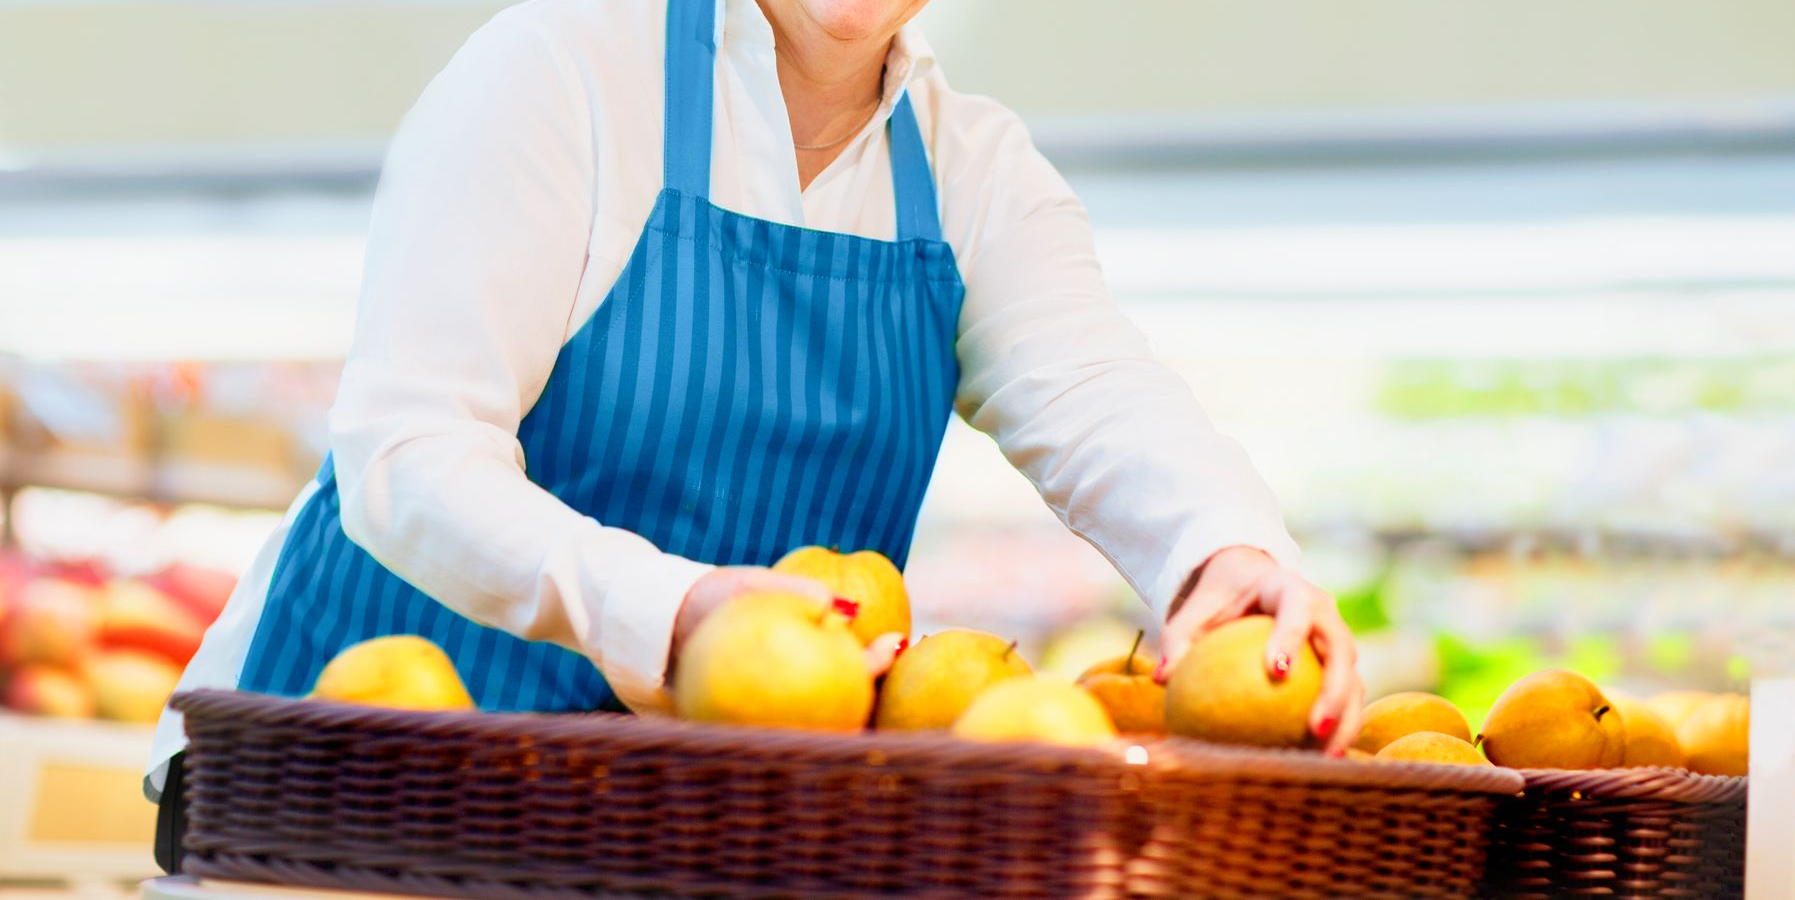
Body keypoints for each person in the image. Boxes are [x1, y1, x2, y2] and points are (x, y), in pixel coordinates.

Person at [148, 0, 1362, 871]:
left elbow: (1100, 392)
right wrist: (673, 615)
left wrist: (1224, 552)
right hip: (331, 822)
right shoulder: (559, 70)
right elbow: (407, 454)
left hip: (666, 842)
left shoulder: (974, 172)